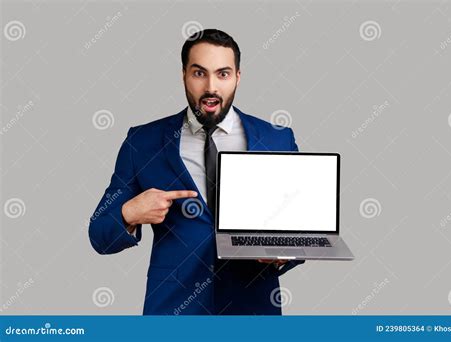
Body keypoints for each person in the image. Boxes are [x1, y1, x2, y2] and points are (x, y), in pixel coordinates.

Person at [88, 29, 304, 315]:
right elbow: (99, 235)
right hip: (172, 311)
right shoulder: (142, 142)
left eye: (223, 74)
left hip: (252, 313)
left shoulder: (277, 139)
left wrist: (282, 254)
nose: (211, 86)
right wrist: (129, 213)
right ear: (183, 75)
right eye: (199, 73)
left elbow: (302, 231)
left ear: (238, 76)